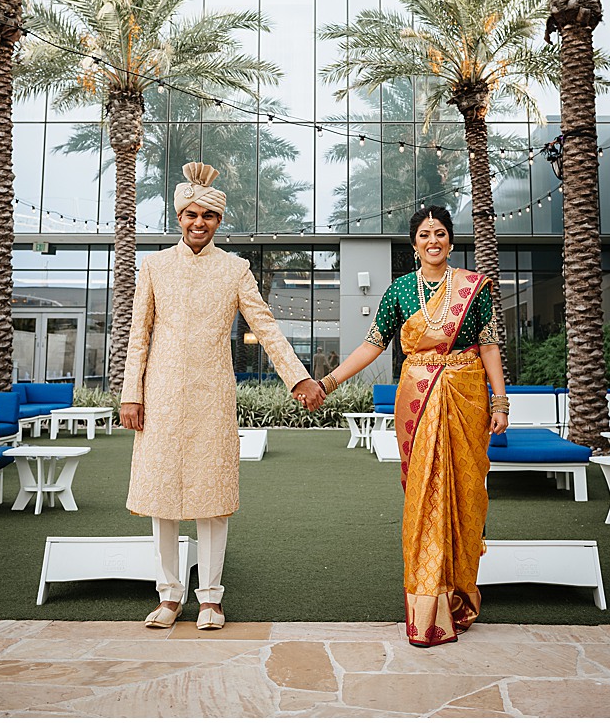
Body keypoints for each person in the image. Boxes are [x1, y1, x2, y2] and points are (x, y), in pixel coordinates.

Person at [119, 162, 325, 631]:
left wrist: (298, 378)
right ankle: (169, 596)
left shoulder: (235, 269)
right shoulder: (154, 267)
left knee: (212, 498)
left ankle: (210, 597)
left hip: (213, 394)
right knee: (162, 497)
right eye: (190, 214)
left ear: (218, 221)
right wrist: (132, 395)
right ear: (179, 217)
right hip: (161, 394)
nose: (198, 223)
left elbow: (266, 327)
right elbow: (138, 336)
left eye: (207, 216)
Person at [315, 204, 508, 647]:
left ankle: (458, 595)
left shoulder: (473, 289)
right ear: (414, 244)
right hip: (418, 398)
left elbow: (490, 347)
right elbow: (372, 346)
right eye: (424, 235)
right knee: (425, 494)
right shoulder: (399, 290)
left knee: (464, 493)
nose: (433, 241)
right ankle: (427, 602)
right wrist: (328, 381)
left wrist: (500, 401)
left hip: (467, 393)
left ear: (451, 241)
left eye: (440, 233)